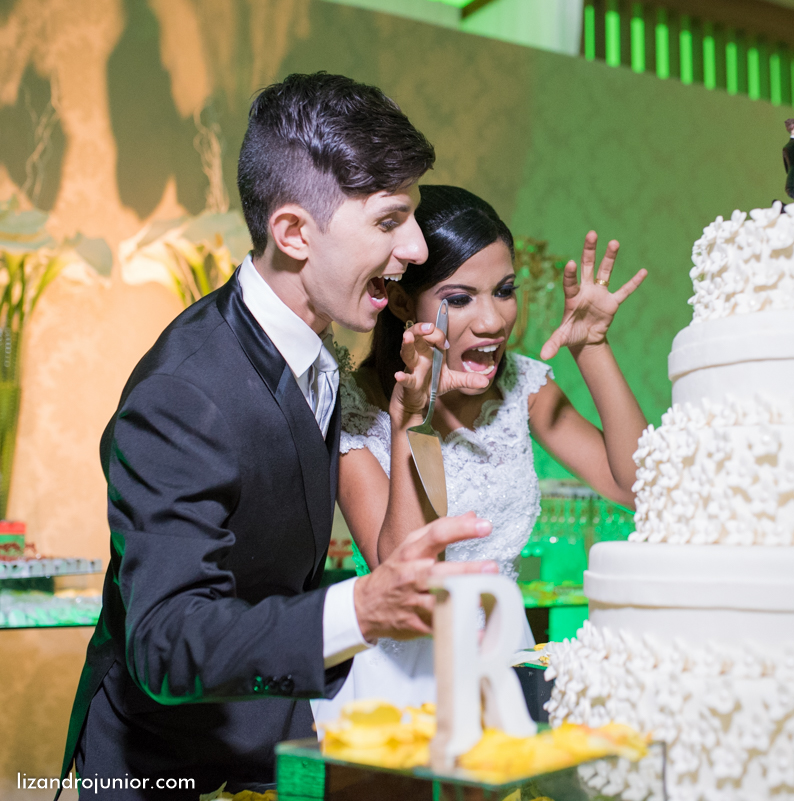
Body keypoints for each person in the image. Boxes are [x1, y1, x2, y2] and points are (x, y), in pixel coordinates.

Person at [59, 74, 498, 799]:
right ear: (294, 233)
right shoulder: (183, 395)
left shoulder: (312, 347)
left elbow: (278, 569)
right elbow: (165, 641)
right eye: (390, 220)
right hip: (165, 761)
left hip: (266, 733)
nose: (418, 247)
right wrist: (358, 609)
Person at [319, 185, 648, 716]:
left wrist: (592, 347)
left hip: (505, 662)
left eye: (504, 290)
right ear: (401, 302)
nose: (493, 320)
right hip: (405, 683)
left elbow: (638, 486)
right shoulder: (355, 409)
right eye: (459, 298)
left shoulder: (522, 386)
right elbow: (408, 572)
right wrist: (413, 420)